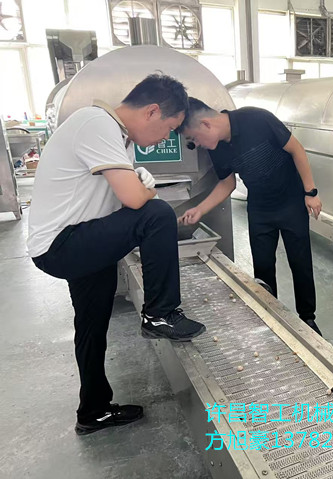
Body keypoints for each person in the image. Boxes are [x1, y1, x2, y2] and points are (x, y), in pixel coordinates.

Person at [27, 74, 206, 436]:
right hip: (63, 244)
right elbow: (137, 201)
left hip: (80, 241)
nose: (165, 139)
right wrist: (145, 190)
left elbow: (120, 198)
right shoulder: (95, 123)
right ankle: (160, 314)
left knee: (91, 325)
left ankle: (92, 411)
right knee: (157, 214)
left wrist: (137, 181)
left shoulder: (116, 136)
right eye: (168, 129)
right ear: (151, 111)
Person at [176, 98, 323, 335]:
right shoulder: (218, 149)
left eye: (194, 139)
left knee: (300, 263)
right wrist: (200, 209)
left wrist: (310, 192)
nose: (198, 145)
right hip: (260, 209)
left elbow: (296, 149)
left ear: (206, 124)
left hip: (292, 203)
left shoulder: (257, 119)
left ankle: (308, 319)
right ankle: (270, 316)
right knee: (263, 267)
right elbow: (228, 183)